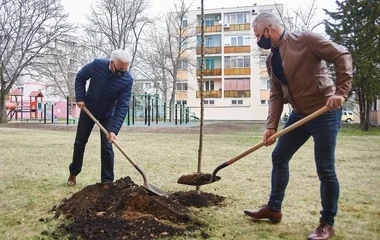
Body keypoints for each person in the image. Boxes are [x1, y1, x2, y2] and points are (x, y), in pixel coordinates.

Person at [244, 13, 352, 240]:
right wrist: (271, 126)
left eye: (257, 35)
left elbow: (341, 54)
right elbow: (275, 95)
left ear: (268, 29)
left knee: (325, 167)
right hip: (299, 114)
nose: (257, 40)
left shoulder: (305, 39)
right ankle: (274, 209)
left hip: (325, 111)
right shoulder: (271, 59)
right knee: (279, 156)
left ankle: (326, 224)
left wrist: (341, 92)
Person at [67, 49, 134, 186]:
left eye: (126, 69)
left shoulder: (127, 80)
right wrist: (80, 97)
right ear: (112, 63)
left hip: (107, 114)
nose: (123, 72)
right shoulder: (97, 65)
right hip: (88, 109)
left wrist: (113, 130)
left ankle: (107, 182)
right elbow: (80, 77)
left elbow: (122, 105)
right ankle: (73, 173)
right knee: (80, 143)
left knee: (107, 147)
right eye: (120, 69)